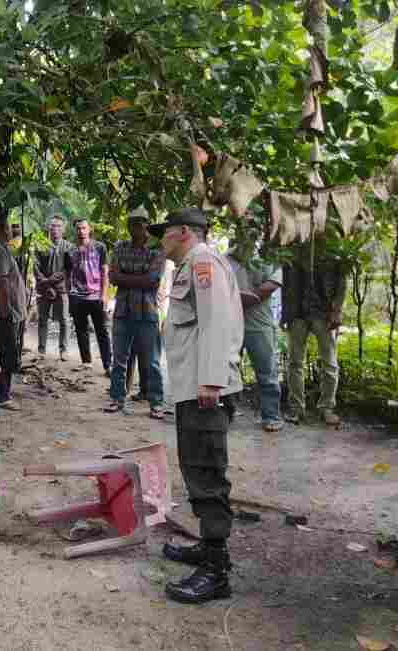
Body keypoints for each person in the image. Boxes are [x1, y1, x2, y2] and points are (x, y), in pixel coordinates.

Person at [149, 208, 243, 604]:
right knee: (196, 467)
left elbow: (217, 320)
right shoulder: (192, 264)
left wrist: (211, 379)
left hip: (205, 388)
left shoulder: (203, 262)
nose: (160, 240)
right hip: (193, 388)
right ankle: (207, 548)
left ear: (184, 232)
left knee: (206, 472)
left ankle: (216, 570)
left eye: (165, 233)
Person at [106, 212, 166, 418]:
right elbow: (112, 276)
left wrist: (125, 277)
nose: (135, 227)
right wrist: (138, 278)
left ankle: (156, 402)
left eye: (140, 223)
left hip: (147, 312)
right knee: (119, 359)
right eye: (132, 222)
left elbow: (153, 279)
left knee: (152, 362)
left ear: (147, 225)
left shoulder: (157, 249)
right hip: (123, 311)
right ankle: (116, 399)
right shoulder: (120, 247)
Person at [282, 240, 346, 426]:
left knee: (330, 363)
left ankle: (327, 408)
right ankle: (296, 408)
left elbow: (342, 282)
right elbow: (286, 285)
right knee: (295, 362)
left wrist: (337, 310)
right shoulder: (291, 248)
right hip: (298, 314)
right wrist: (285, 315)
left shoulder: (332, 249)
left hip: (323, 313)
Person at [227, 227, 284, 432]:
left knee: (266, 372)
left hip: (258, 325)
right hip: (231, 323)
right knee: (227, 369)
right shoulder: (226, 259)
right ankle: (228, 412)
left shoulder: (266, 259)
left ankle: (271, 415)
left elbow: (271, 285)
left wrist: (241, 299)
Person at [0, 214, 26, 409]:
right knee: (4, 353)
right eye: (9, 227)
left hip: (5, 311)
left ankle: (1, 392)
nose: (11, 231)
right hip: (2, 312)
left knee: (6, 352)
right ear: (2, 229)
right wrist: (5, 312)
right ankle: (0, 394)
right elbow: (0, 283)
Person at [66, 218, 112, 375]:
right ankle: (86, 362)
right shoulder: (70, 251)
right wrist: (70, 295)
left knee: (102, 331)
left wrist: (104, 295)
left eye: (84, 228)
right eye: (78, 228)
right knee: (81, 330)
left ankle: (108, 364)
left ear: (89, 229)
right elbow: (67, 275)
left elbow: (105, 271)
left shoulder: (100, 247)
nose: (81, 231)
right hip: (77, 296)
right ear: (75, 230)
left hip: (96, 296)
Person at [34, 216, 73, 360]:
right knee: (42, 319)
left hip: (60, 288)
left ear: (63, 229)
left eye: (58, 226)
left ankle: (63, 350)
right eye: (52, 226)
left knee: (64, 319)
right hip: (44, 289)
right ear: (48, 228)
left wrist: (51, 281)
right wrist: (45, 284)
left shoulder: (68, 246)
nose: (55, 229)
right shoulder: (40, 245)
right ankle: (41, 350)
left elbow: (68, 269)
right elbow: (35, 267)